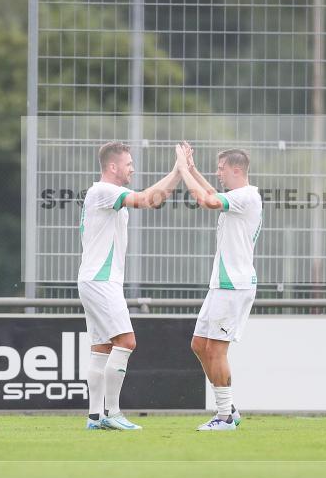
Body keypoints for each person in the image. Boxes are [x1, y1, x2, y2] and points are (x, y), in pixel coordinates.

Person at [78, 141, 181, 430]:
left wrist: (179, 172)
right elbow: (149, 200)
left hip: (93, 279)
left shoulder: (104, 194)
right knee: (126, 342)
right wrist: (178, 169)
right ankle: (113, 413)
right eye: (128, 163)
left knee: (101, 348)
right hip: (101, 280)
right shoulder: (104, 191)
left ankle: (95, 417)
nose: (132, 168)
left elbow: (150, 198)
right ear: (113, 167)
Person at [177, 142, 262, 431]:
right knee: (199, 345)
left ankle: (224, 416)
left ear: (237, 170)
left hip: (234, 285)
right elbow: (213, 195)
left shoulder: (247, 196)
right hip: (222, 284)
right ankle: (228, 409)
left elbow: (208, 200)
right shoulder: (238, 196)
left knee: (217, 350)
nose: (218, 173)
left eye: (222, 168)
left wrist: (181, 170)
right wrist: (191, 169)